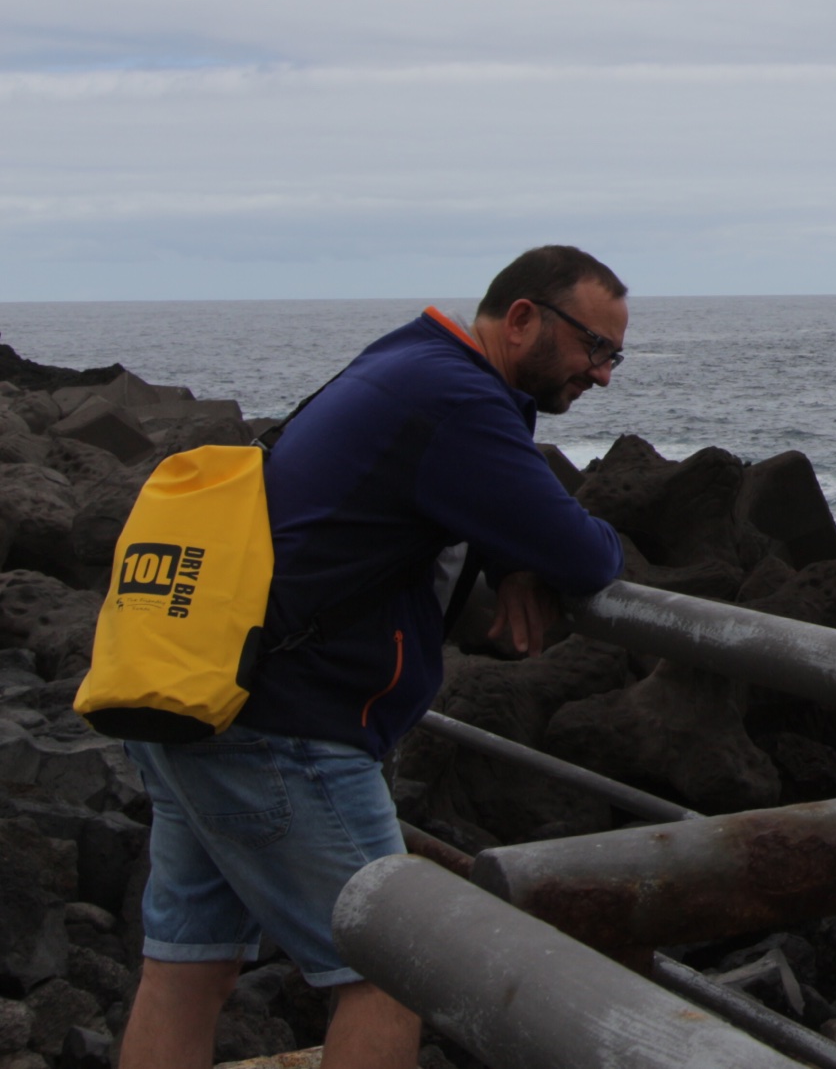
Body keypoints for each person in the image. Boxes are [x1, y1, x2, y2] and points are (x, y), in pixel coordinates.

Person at [116, 246, 633, 1069]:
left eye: (614, 355)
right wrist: (534, 547)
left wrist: (509, 552)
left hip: (203, 696)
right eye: (594, 348)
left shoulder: (412, 357)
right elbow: (588, 555)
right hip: (287, 729)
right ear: (527, 318)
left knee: (188, 964)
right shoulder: (457, 398)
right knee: (396, 970)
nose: (603, 374)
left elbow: (455, 490)